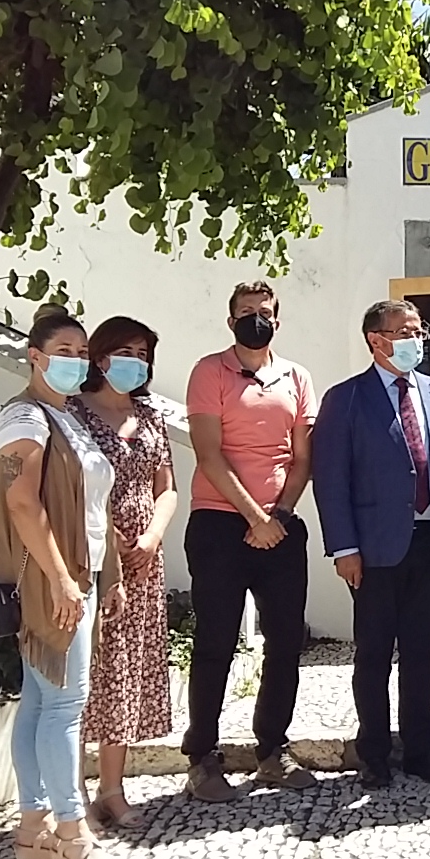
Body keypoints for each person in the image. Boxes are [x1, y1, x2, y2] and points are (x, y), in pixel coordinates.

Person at [0, 306, 124, 859]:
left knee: (41, 703)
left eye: (81, 352)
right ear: (35, 356)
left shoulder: (66, 416)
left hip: (75, 575)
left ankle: (34, 830)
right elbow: (22, 502)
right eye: (63, 351)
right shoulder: (26, 416)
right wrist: (65, 579)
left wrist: (104, 577)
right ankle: (71, 834)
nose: (76, 361)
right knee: (64, 707)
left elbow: (92, 507)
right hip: (51, 579)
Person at [313, 300, 430, 789]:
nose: (414, 341)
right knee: (375, 654)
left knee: (422, 652)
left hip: (429, 545)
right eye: (403, 332)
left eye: (418, 331)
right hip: (373, 551)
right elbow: (331, 479)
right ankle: (374, 752)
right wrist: (344, 549)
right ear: (376, 341)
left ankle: (421, 750)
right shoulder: (346, 400)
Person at [180, 281, 317, 802]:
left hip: (280, 525)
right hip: (219, 524)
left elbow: (302, 457)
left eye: (263, 313)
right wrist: (254, 517)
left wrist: (277, 515)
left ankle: (271, 751)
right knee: (215, 641)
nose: (254, 319)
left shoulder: (297, 377)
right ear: (229, 320)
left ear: (277, 321)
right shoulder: (208, 372)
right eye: (245, 312)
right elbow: (209, 454)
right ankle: (202, 756)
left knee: (286, 642)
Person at [69, 316, 179, 831]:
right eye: (125, 350)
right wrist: (110, 542)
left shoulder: (150, 415)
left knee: (125, 673)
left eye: (144, 351)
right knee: (86, 673)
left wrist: (153, 535)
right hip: (90, 554)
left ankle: (113, 788)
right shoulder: (72, 414)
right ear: (99, 355)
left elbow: (168, 486)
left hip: (143, 559)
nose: (136, 360)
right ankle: (74, 793)